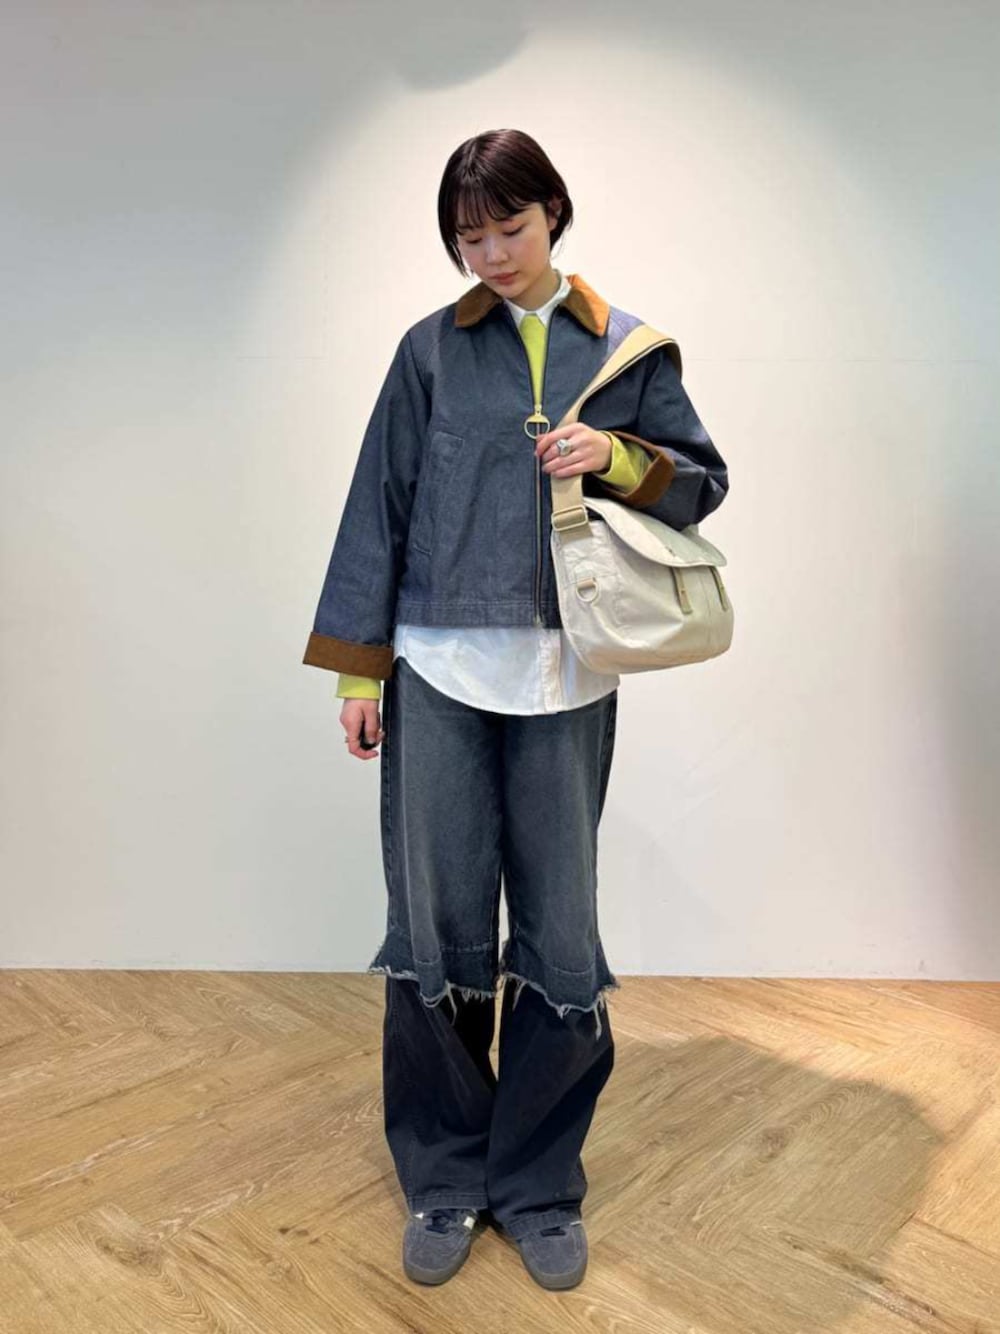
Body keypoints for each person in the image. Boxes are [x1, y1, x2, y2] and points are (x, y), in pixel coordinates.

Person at [302, 128, 729, 1290]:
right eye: (469, 235)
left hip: (568, 668)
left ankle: (539, 1183)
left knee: (559, 926)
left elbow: (699, 483)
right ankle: (444, 1176)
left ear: (553, 215)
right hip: (437, 663)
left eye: (510, 227)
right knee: (436, 920)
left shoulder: (624, 347)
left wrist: (616, 456)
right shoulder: (429, 351)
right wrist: (358, 672)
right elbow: (378, 504)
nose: (490, 253)